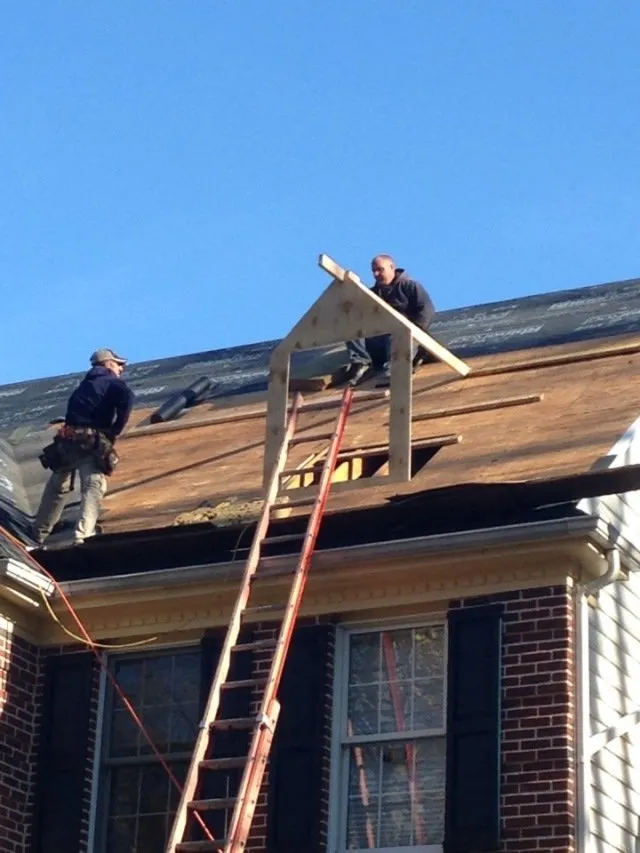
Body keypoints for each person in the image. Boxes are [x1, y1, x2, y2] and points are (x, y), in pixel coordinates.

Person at [31, 348, 134, 546]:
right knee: (93, 484)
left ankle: (39, 531)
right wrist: (115, 430)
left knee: (58, 485)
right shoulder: (112, 382)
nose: (122, 368)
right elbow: (128, 398)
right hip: (88, 441)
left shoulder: (84, 385)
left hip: (67, 440)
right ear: (108, 364)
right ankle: (83, 535)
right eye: (119, 364)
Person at [343, 254, 436, 386]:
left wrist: (415, 332)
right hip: (381, 342)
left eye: (380, 269)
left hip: (405, 339)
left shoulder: (409, 286)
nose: (376, 274)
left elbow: (427, 309)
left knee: (399, 330)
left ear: (392, 267)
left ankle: (394, 370)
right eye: (374, 271)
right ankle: (361, 363)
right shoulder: (373, 294)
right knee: (352, 325)